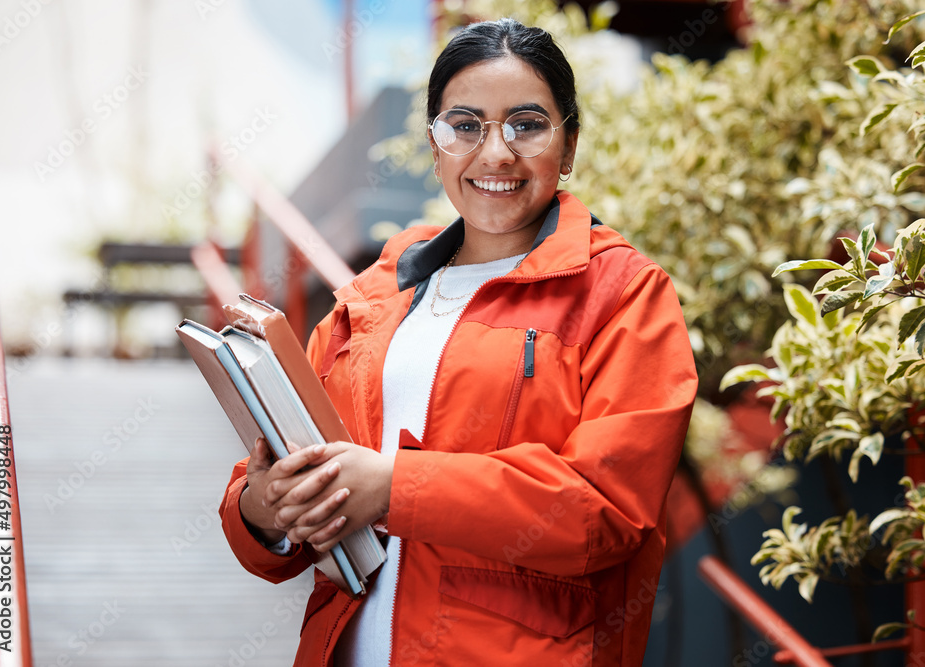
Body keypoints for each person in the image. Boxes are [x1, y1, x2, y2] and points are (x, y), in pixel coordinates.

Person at [219, 17, 697, 667]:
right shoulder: (375, 291)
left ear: (571, 143)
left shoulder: (623, 295)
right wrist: (264, 503)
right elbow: (273, 498)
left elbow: (605, 508)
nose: (495, 153)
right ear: (435, 143)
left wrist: (394, 488)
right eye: (465, 126)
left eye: (527, 125)